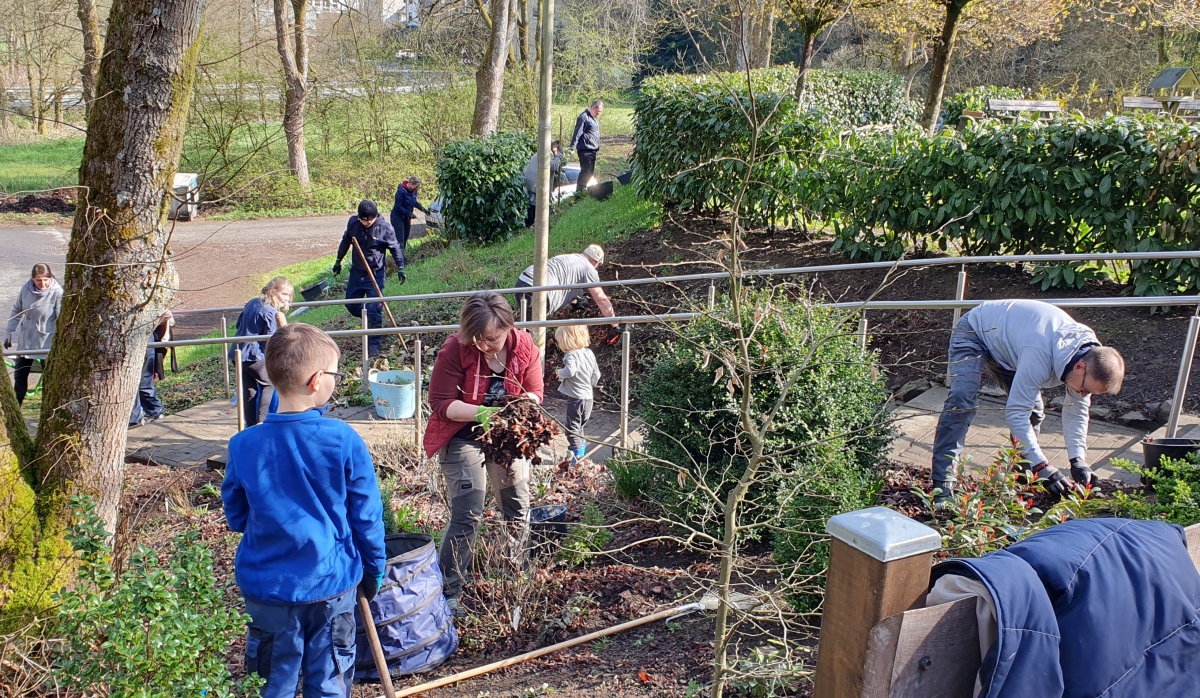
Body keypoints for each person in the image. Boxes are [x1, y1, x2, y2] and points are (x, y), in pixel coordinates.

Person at [221, 323, 386, 698]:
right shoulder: (342, 438)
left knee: (272, 684)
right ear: (316, 381)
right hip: (331, 582)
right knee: (329, 682)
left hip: (268, 588)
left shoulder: (243, 444)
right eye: (334, 374)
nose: (335, 381)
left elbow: (236, 514)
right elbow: (367, 516)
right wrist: (374, 569)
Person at [932, 299, 1126, 501]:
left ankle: (1021, 479)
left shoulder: (1089, 355)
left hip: (1013, 347)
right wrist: (1043, 466)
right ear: (1080, 367)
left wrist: (1078, 460)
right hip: (976, 332)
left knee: (1033, 413)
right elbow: (1016, 413)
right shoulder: (1040, 352)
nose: (1084, 395)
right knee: (961, 402)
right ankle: (942, 485)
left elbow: (1076, 412)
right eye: (1085, 390)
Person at [423, 292, 544, 616]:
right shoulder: (454, 349)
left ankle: (517, 577)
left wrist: (520, 407)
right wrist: (481, 414)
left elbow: (536, 393)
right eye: (477, 338)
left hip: (507, 438)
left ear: (508, 326)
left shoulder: (525, 347)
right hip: (462, 435)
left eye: (491, 338)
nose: (483, 346)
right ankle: (450, 591)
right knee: (468, 512)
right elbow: (441, 404)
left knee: (516, 505)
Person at [333, 200, 405, 359]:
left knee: (374, 309)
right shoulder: (353, 223)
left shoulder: (385, 229)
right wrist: (338, 261)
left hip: (375, 273)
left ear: (375, 217)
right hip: (357, 272)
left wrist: (401, 266)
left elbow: (395, 248)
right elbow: (346, 241)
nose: (365, 223)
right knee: (351, 304)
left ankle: (374, 343)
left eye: (368, 220)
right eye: (362, 220)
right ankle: (370, 316)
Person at [230, 276, 293, 427]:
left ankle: (250, 425)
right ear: (272, 291)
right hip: (253, 355)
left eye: (289, 295)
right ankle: (262, 422)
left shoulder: (253, 302)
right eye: (284, 294)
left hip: (237, 352)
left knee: (250, 391)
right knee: (269, 384)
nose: (287, 299)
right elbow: (270, 339)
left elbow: (238, 323)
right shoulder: (271, 312)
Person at [4, 263, 62, 405]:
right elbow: (17, 309)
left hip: (46, 343)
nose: (42, 284)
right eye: (38, 280)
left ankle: (49, 409)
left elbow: (62, 318)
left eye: (45, 280)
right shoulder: (26, 289)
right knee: (20, 378)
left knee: (49, 379)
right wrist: (9, 331)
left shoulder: (57, 292)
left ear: (50, 278)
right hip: (26, 341)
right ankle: (16, 409)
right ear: (33, 279)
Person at [514, 245, 616, 323]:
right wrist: (615, 324)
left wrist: (575, 303)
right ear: (597, 263)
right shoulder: (589, 268)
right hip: (537, 290)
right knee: (533, 332)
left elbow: (565, 279)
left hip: (523, 280)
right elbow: (600, 298)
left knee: (526, 324)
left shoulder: (570, 258)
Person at [554, 325, 600, 464]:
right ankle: (581, 449)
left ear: (566, 340)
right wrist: (589, 385)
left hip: (575, 398)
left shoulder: (571, 355)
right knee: (580, 427)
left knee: (571, 429)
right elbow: (596, 374)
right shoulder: (589, 353)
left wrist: (560, 374)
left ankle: (577, 457)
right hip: (588, 398)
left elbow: (571, 371)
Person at [129, 311, 174, 427]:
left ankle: (137, 418)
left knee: (136, 382)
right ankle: (153, 412)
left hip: (141, 338)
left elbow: (166, 315)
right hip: (143, 337)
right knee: (141, 382)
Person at [523, 141, 563, 227]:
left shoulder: (541, 152)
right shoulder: (548, 154)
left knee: (532, 205)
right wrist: (559, 156)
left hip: (529, 181)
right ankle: (529, 225)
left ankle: (530, 225)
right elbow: (554, 166)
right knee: (533, 205)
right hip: (534, 183)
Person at [390, 176, 430, 254]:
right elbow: (398, 206)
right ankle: (400, 259)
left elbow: (414, 202)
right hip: (397, 218)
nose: (417, 189)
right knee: (400, 239)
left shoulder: (414, 191)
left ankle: (403, 255)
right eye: (416, 186)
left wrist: (424, 210)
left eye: (418, 187)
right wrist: (409, 213)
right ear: (410, 183)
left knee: (405, 238)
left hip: (406, 218)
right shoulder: (401, 192)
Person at [570, 100, 603, 193]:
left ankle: (584, 191)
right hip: (585, 150)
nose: (599, 114)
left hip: (593, 150)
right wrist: (572, 147)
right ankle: (579, 193)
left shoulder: (594, 118)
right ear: (593, 108)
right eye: (598, 111)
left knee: (590, 173)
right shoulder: (584, 117)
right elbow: (577, 133)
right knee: (585, 172)